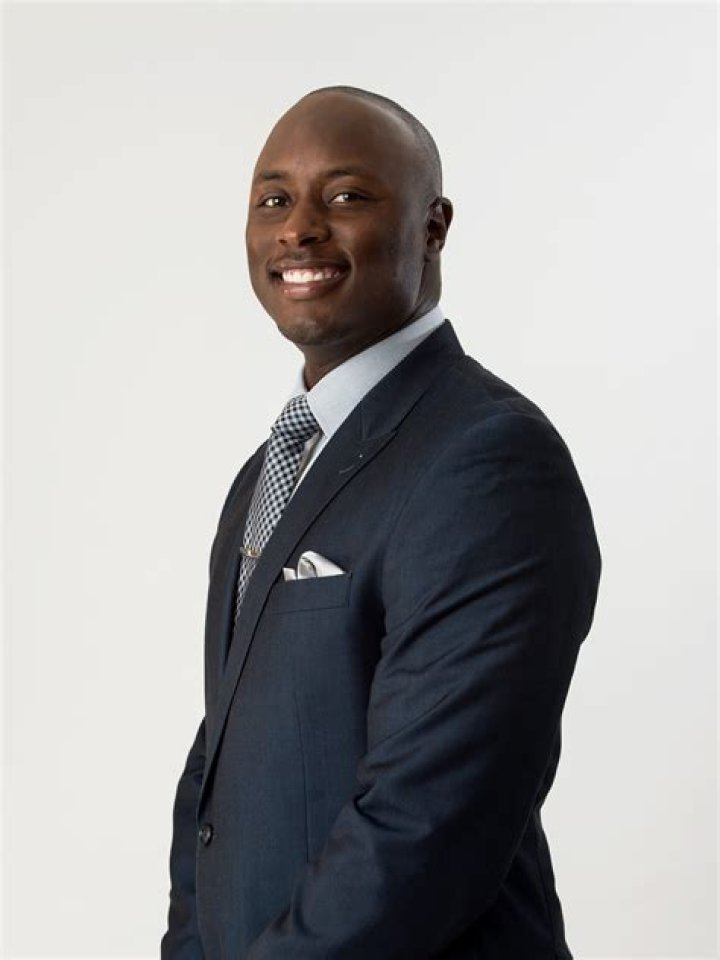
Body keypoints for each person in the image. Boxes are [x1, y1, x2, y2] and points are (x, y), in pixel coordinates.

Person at [161, 85, 601, 960]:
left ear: (433, 227)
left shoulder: (488, 459)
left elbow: (429, 821)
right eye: (273, 200)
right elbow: (217, 774)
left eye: (346, 195)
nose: (298, 229)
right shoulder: (269, 470)